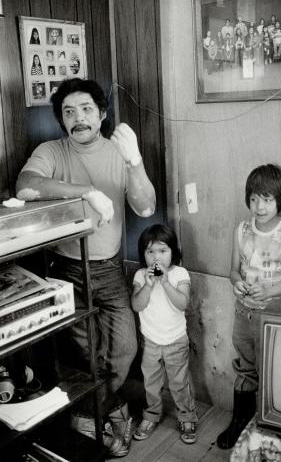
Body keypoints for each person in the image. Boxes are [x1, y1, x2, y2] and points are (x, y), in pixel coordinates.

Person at [16, 78, 156, 458]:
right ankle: (109, 415)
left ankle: (95, 412)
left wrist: (136, 161)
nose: (79, 119)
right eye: (69, 112)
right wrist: (86, 191)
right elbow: (25, 185)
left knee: (125, 348)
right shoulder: (51, 150)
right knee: (83, 355)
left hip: (109, 269)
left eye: (87, 109)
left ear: (102, 114)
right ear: (62, 120)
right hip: (65, 269)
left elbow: (145, 208)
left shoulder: (118, 151)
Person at [216, 164, 281, 450]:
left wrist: (268, 289)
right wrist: (237, 283)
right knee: (244, 368)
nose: (259, 206)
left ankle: (269, 431)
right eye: (253, 198)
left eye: (266, 199)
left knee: (272, 372)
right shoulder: (241, 230)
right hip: (243, 312)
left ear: (279, 199)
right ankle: (241, 421)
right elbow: (232, 271)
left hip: (274, 315)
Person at [132, 224, 198, 445]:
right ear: (143, 255)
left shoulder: (180, 273)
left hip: (176, 340)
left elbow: (183, 304)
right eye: (150, 251)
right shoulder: (141, 275)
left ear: (173, 252)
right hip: (150, 340)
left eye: (162, 251)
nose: (156, 257)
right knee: (151, 382)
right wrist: (149, 285)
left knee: (179, 383)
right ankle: (151, 415)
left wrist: (166, 282)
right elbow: (136, 305)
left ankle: (187, 417)